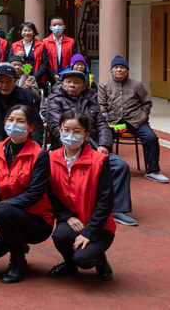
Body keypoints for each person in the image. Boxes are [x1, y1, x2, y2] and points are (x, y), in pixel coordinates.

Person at [43, 70, 136, 226]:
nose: (72, 85)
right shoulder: (55, 100)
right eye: (68, 81)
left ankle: (119, 210)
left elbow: (102, 124)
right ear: (62, 83)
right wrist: (74, 145)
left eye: (77, 82)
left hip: (94, 146)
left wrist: (104, 145)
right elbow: (55, 127)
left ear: (83, 86)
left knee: (120, 166)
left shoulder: (91, 100)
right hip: (69, 147)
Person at [0, 105, 53, 283]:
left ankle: (18, 262)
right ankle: (16, 239)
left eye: (20, 121)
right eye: (11, 120)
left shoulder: (40, 155)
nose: (14, 124)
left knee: (3, 211)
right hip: (7, 215)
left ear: (31, 127)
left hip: (37, 220)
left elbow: (34, 195)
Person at [47, 110, 115, 281]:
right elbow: (49, 194)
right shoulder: (50, 158)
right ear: (59, 130)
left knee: (84, 259)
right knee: (60, 236)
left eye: (77, 131)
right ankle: (70, 266)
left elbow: (106, 201)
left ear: (86, 133)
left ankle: (100, 261)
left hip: (99, 225)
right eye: (66, 130)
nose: (71, 135)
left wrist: (89, 232)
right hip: (72, 220)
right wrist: (67, 217)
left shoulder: (99, 160)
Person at [98, 55, 168, 184]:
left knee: (151, 138)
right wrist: (105, 120)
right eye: (116, 67)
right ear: (111, 70)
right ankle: (106, 169)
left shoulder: (137, 85)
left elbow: (147, 103)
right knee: (103, 138)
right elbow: (101, 105)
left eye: (122, 67)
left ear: (127, 70)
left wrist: (142, 117)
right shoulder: (103, 85)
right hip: (113, 122)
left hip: (136, 121)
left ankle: (153, 171)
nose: (119, 70)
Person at [0, 63, 44, 153]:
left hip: (23, 141)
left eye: (8, 81)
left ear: (15, 81)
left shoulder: (27, 95)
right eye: (1, 81)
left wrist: (35, 142)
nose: (4, 85)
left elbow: (36, 121)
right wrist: (0, 146)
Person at [11, 22, 50, 90]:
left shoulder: (41, 45)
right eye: (25, 30)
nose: (27, 33)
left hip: (37, 78)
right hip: (19, 79)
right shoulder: (15, 45)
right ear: (21, 32)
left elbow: (45, 63)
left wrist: (35, 77)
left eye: (29, 30)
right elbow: (9, 61)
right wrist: (17, 56)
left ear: (34, 32)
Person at [44, 16, 78, 83]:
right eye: (54, 25)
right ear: (50, 28)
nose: (57, 27)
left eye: (59, 24)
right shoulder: (44, 42)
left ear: (64, 27)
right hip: (49, 78)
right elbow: (44, 62)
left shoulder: (72, 42)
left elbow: (74, 60)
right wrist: (53, 75)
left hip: (67, 77)